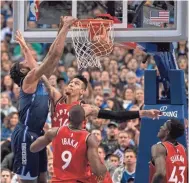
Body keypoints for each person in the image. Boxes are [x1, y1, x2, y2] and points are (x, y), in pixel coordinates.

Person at [10, 16, 76, 183]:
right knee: (28, 180)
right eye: (23, 62)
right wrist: (65, 28)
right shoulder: (29, 81)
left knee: (42, 177)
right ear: (23, 72)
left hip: (37, 133)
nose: (27, 60)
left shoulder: (36, 77)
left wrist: (25, 46)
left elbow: (48, 58)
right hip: (25, 134)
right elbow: (52, 56)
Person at [30, 105, 107, 183]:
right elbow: (97, 171)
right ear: (84, 120)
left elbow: (33, 148)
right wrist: (104, 167)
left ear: (68, 118)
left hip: (57, 181)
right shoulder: (89, 138)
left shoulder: (54, 132)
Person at [149, 119, 188, 183]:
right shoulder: (184, 149)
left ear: (167, 132)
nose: (161, 127)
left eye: (163, 126)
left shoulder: (159, 148)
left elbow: (160, 173)